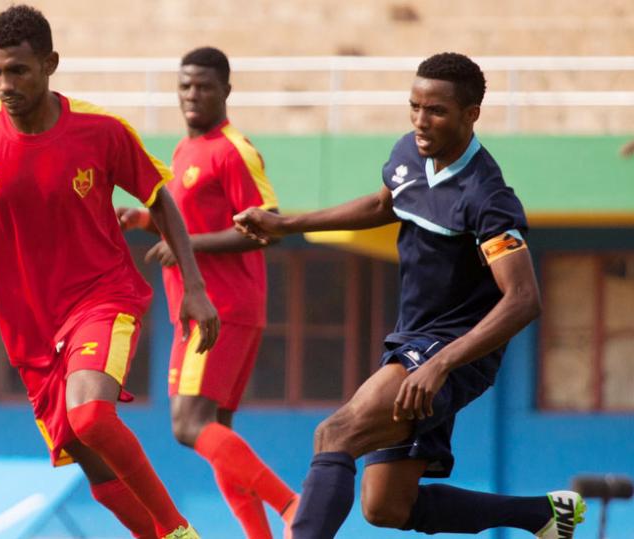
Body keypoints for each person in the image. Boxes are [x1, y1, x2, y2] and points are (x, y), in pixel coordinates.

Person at [0, 6, 219, 539]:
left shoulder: (101, 130)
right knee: (85, 452)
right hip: (30, 330)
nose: (4, 84)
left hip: (102, 297)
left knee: (91, 416)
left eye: (17, 70)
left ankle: (179, 530)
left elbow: (162, 201)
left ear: (50, 64)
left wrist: (195, 288)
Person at [234, 52, 586, 539]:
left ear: (471, 115)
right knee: (386, 506)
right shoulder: (408, 153)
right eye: (415, 106)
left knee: (334, 433)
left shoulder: (487, 198)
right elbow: (385, 202)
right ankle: (542, 515)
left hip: (451, 352)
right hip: (413, 343)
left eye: (436, 111)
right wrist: (287, 223)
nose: (421, 121)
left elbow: (524, 299)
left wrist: (440, 365)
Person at [117, 46, 298, 538]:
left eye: (204, 86)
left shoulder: (234, 149)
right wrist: (145, 221)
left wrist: (185, 245)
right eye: (185, 86)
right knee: (215, 430)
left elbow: (269, 227)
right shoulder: (182, 150)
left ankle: (291, 506)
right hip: (195, 308)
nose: (193, 95)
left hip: (221, 306)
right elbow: (187, 223)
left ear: (226, 91)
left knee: (187, 425)